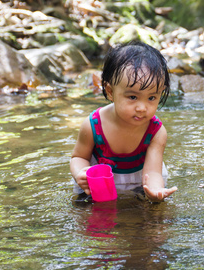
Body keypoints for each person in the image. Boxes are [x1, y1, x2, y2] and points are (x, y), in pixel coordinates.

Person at [70, 41, 177, 202]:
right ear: (110, 92)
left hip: (139, 182)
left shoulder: (156, 132)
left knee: (152, 220)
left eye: (151, 98)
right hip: (98, 185)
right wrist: (80, 172)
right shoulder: (93, 125)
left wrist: (155, 191)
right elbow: (78, 157)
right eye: (132, 97)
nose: (142, 107)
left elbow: (153, 172)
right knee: (88, 218)